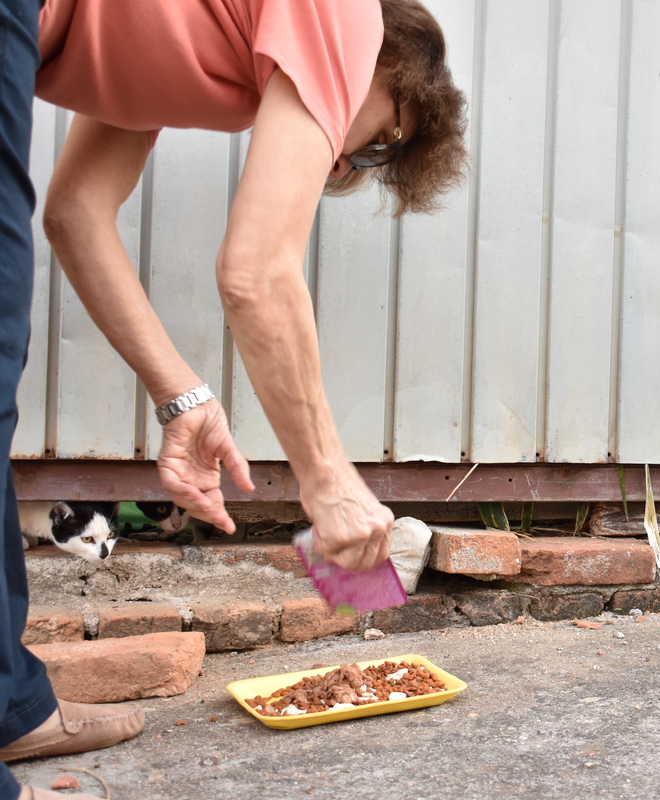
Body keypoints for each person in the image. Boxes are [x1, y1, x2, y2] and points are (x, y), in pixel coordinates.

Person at [0, 1, 468, 796]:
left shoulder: (168, 52)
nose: (348, 165)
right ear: (391, 70)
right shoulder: (347, 18)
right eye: (382, 142)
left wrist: (183, 398)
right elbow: (256, 273)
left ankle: (8, 705)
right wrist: (330, 484)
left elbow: (77, 214)